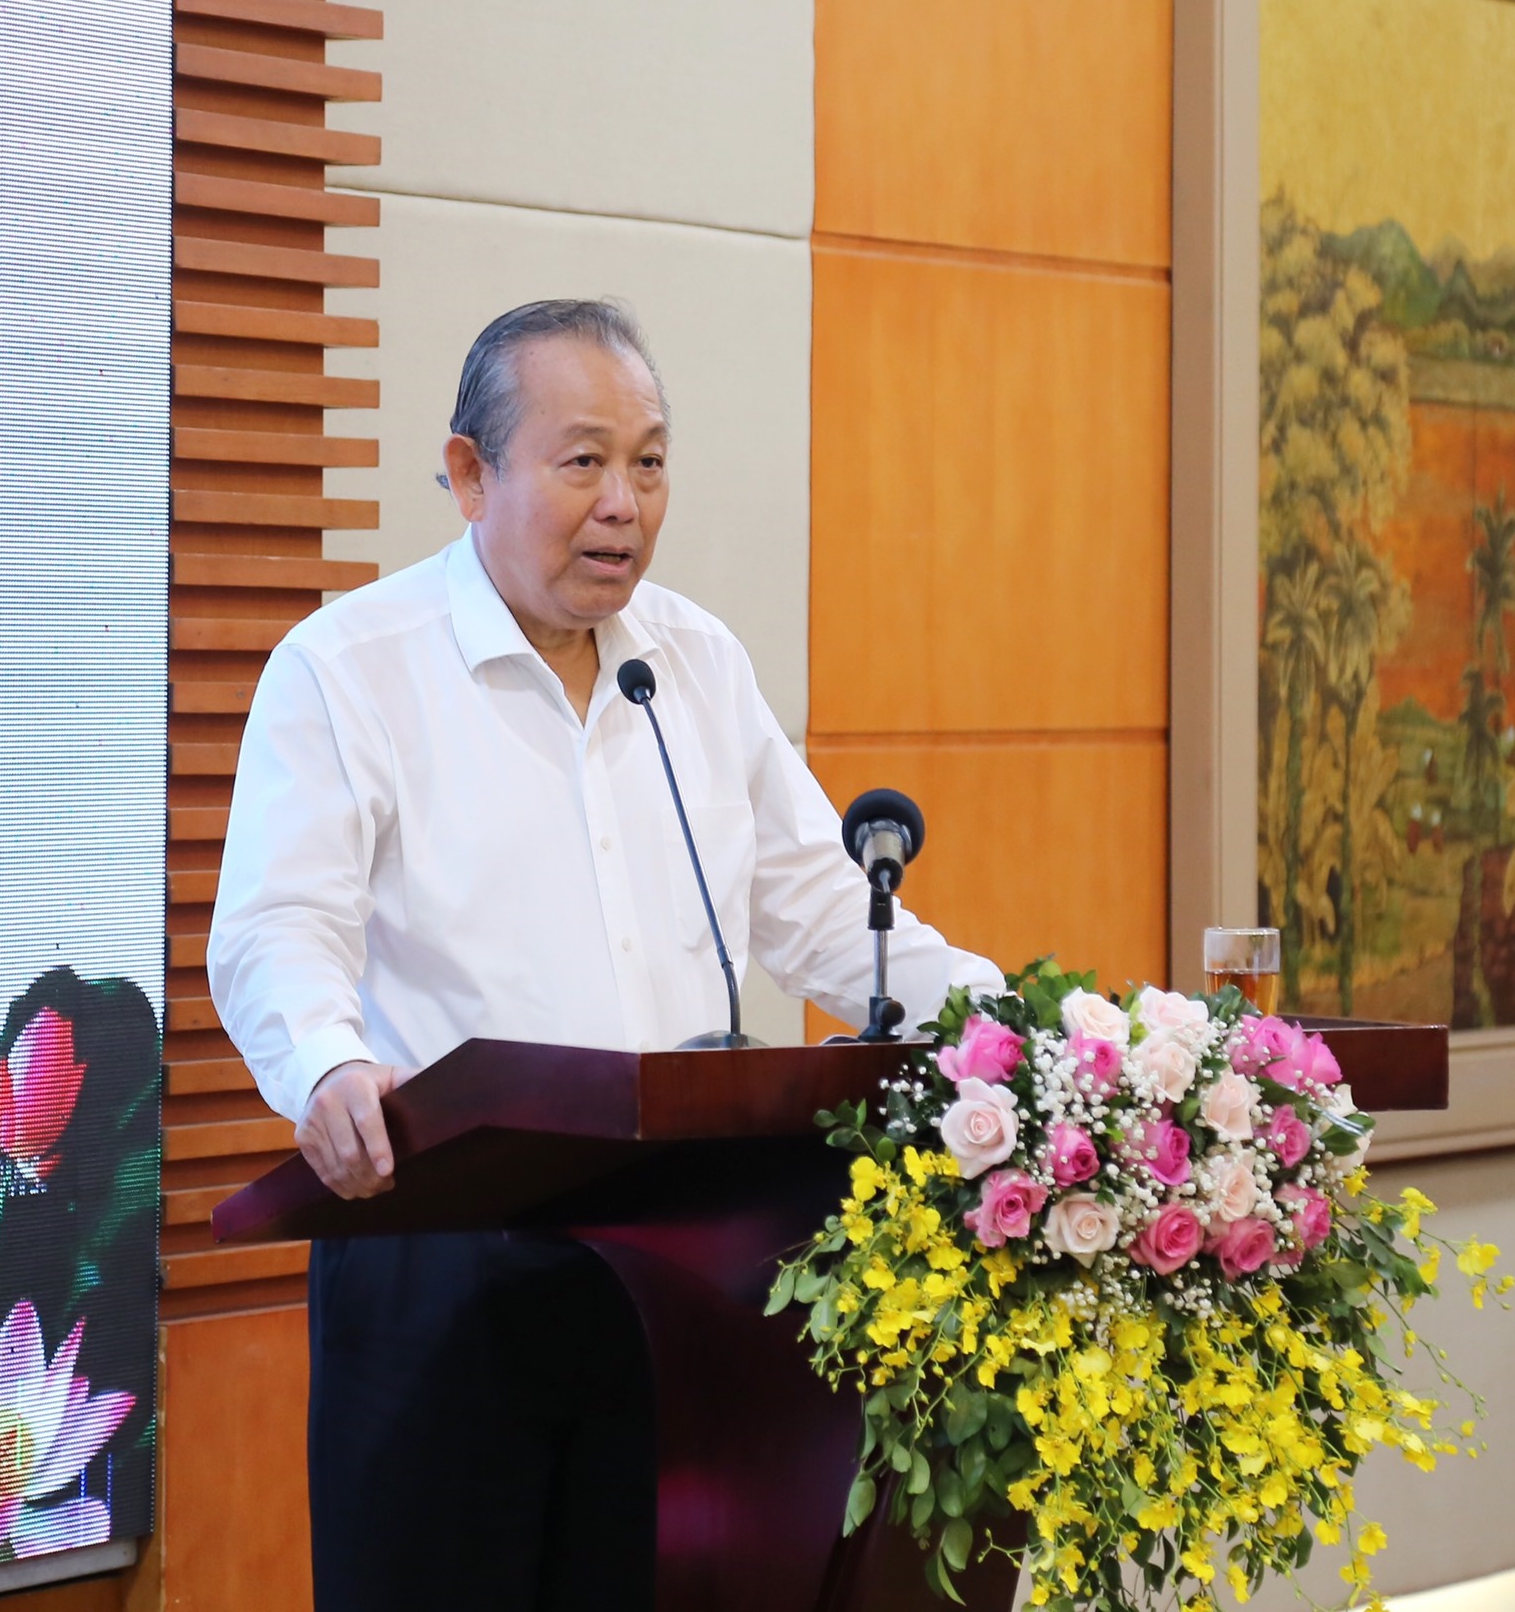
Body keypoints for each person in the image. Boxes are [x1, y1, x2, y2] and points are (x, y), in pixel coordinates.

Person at [208, 299, 1002, 1612]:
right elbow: (277, 928)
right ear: (471, 473)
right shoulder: (350, 669)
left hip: (681, 1268)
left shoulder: (692, 663)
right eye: (583, 462)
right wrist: (327, 1068)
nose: (623, 504)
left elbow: (826, 917)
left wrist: (1028, 1035)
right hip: (445, 1255)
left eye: (649, 462)